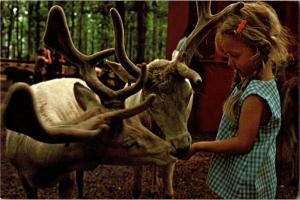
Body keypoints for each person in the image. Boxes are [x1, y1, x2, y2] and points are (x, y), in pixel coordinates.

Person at [186, 2, 294, 199]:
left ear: (260, 48)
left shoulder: (255, 96)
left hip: (247, 184)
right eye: (227, 56)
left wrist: (198, 146)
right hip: (256, 176)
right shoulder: (262, 81)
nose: (229, 63)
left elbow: (242, 143)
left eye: (235, 55)